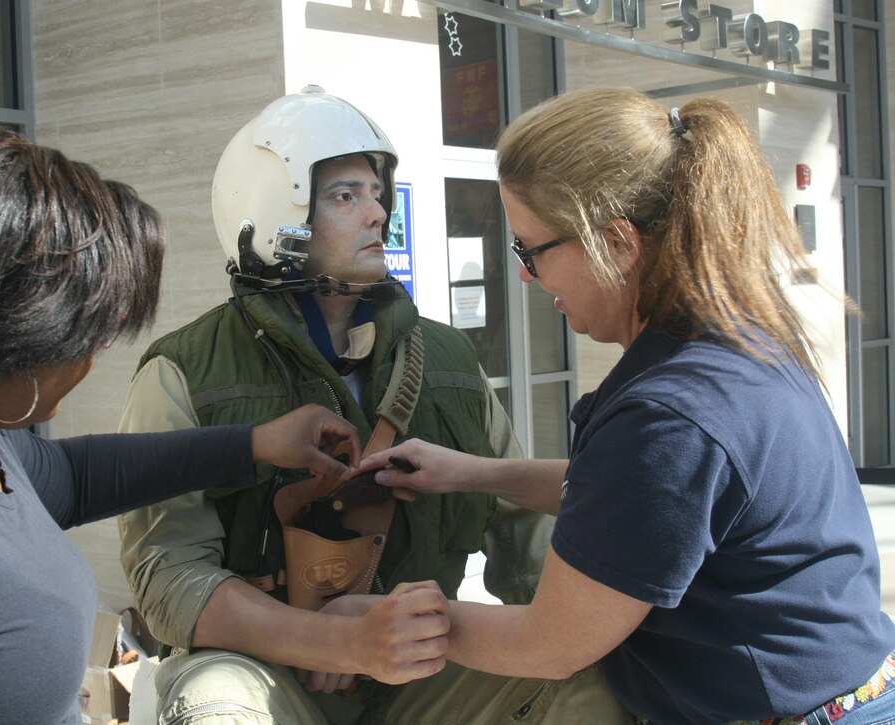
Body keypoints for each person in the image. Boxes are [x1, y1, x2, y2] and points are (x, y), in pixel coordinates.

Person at [357, 86, 895, 724]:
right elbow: (640, 507)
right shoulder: (735, 342)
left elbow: (550, 644)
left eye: (531, 249)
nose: (524, 276)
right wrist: (470, 472)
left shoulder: (670, 418)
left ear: (616, 242)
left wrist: (375, 625)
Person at [0, 123, 363, 725]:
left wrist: (256, 443)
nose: (91, 358)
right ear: (8, 325)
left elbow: (75, 473)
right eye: (85, 332)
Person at [116, 86, 633, 723]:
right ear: (276, 214)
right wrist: (335, 639)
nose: (376, 214)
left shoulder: (448, 359)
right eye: (344, 196)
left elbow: (523, 536)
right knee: (213, 707)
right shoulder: (182, 373)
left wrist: (551, 640)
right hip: (262, 673)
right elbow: (167, 577)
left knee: (590, 682)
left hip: (417, 671)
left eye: (376, 193)